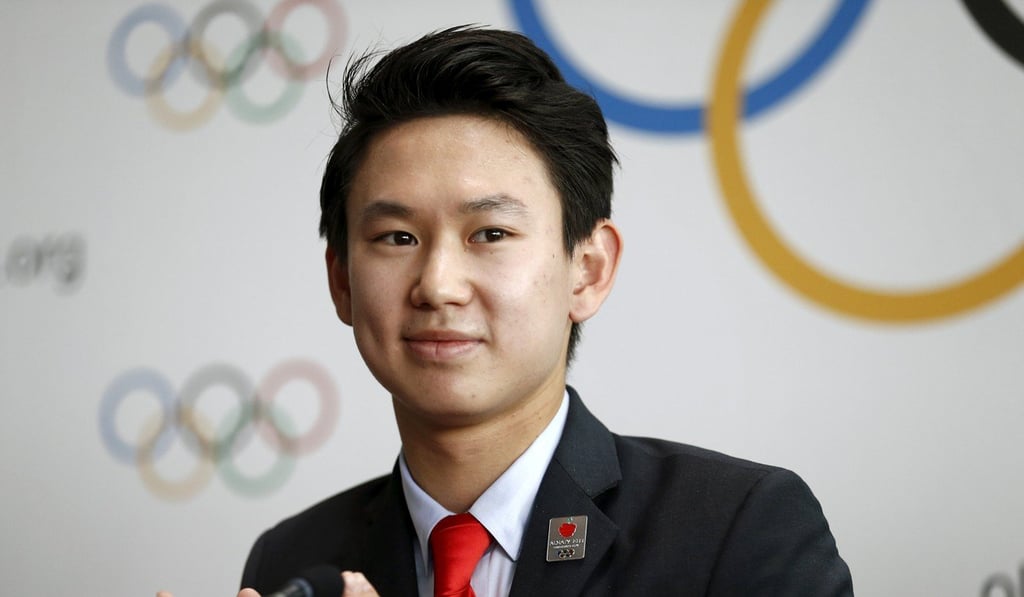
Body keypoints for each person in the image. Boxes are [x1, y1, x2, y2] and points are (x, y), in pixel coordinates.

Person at [186, 25, 853, 597]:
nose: (438, 285)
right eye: (397, 238)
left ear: (588, 270)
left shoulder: (736, 529)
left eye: (490, 234)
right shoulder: (294, 560)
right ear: (341, 281)